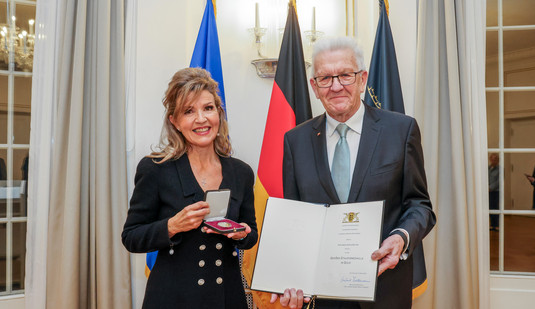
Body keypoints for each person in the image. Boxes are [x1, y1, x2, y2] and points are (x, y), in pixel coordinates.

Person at [273, 37, 436, 309]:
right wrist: (288, 277)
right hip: (322, 295)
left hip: (384, 288)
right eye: (325, 78)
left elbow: (420, 205)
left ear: (362, 79)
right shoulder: (295, 141)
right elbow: (295, 219)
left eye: (345, 75)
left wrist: (401, 238)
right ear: (314, 87)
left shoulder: (401, 131)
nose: (336, 86)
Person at [122, 68, 258, 309]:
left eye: (208, 108)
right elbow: (131, 237)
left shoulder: (242, 172)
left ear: (219, 113)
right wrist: (172, 226)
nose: (201, 119)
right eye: (188, 111)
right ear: (174, 121)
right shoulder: (155, 169)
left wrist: (242, 234)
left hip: (228, 298)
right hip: (172, 298)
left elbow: (251, 235)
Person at [488, 153, 500, 231]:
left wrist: (490, 187)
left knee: (495, 208)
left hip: (495, 191)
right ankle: (492, 225)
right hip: (487, 192)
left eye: (495, 159)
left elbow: (499, 181)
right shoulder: (487, 168)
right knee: (489, 208)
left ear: (498, 160)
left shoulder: (500, 169)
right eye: (492, 159)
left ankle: (496, 225)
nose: (493, 160)